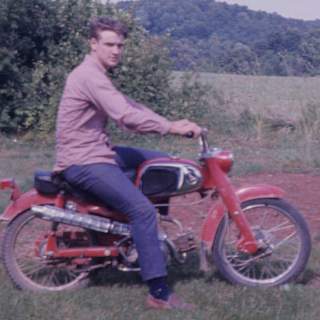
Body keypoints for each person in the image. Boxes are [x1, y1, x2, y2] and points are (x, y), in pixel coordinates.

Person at [54, 17, 202, 310]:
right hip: (83, 161)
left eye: (120, 45)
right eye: (109, 44)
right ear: (93, 44)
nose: (116, 50)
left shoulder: (97, 73)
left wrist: (169, 122)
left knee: (161, 162)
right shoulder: (89, 76)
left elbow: (129, 106)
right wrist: (170, 127)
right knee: (142, 210)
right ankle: (158, 293)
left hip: (99, 151)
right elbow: (125, 116)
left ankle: (151, 242)